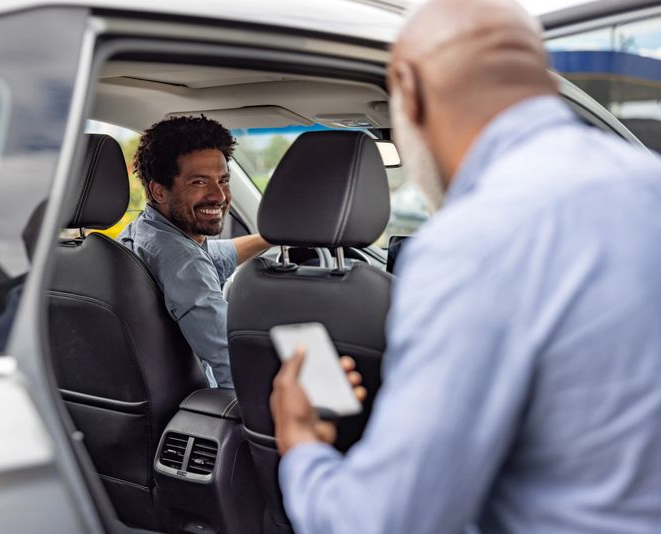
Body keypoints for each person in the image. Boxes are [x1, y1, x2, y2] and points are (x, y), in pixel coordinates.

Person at [270, 0, 661, 532]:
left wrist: (300, 446)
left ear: (406, 87)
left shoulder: (473, 241)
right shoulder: (647, 181)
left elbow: (387, 522)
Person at [118, 116, 268, 388]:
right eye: (199, 182)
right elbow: (232, 362)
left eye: (223, 180)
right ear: (160, 191)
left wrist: (269, 237)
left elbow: (212, 256)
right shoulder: (182, 263)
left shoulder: (145, 232)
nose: (219, 196)